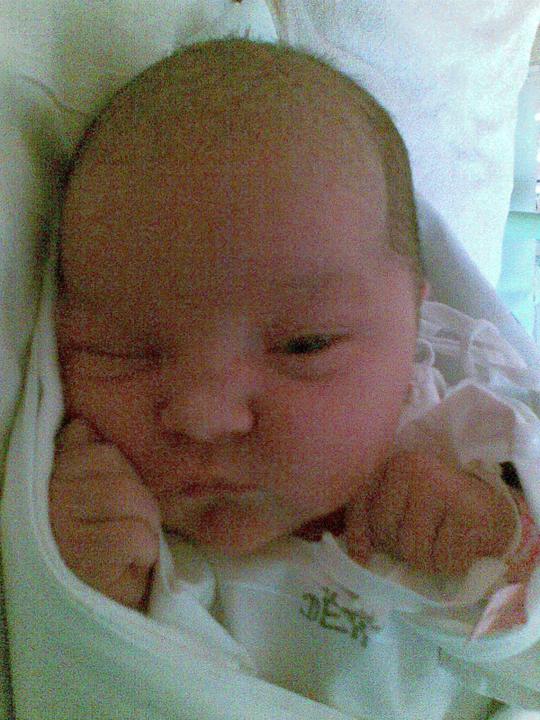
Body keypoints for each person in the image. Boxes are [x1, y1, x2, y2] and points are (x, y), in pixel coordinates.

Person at [48, 38, 540, 717]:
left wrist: (504, 548)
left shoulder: (479, 442)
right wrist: (93, 604)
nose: (204, 417)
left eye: (304, 346)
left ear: (415, 331)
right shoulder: (123, 535)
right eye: (123, 352)